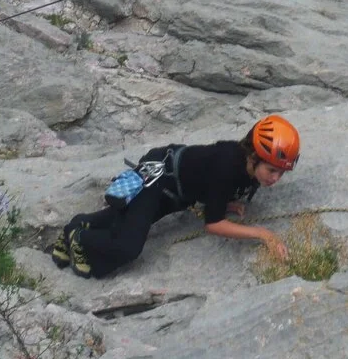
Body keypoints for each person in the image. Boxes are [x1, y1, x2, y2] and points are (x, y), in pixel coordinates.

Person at [51, 114, 301, 278]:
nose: (275, 179)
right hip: (160, 177)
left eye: (281, 173)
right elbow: (214, 224)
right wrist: (264, 234)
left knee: (120, 223)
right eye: (271, 170)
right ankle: (80, 237)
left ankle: (73, 228)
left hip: (175, 187)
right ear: (253, 156)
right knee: (126, 249)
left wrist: (223, 200)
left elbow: (210, 184)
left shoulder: (246, 170)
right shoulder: (228, 166)